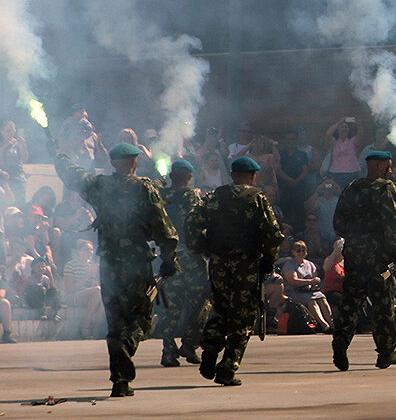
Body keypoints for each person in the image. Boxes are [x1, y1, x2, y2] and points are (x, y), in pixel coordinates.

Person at [54, 142, 177, 397]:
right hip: (136, 262)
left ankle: (120, 380)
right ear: (134, 162)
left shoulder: (100, 185)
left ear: (112, 162)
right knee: (141, 319)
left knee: (115, 322)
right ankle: (127, 348)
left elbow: (73, 174)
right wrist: (169, 258)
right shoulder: (144, 187)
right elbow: (164, 228)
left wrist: (60, 154)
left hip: (109, 263)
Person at [187, 156, 285, 387]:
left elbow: (192, 221)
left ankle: (211, 345)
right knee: (242, 319)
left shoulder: (215, 197)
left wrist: (202, 247)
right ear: (252, 176)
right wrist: (269, 262)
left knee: (221, 309)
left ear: (232, 175)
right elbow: (272, 234)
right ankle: (227, 369)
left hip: (219, 263)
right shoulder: (256, 198)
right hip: (246, 265)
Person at [331, 150, 396, 371]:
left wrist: (356, 237)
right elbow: (391, 227)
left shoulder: (352, 187)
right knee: (383, 305)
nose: (390, 171)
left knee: (351, 301)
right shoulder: (386, 189)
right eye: (389, 166)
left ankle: (341, 341)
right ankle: (385, 352)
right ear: (381, 166)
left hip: (354, 255)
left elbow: (338, 224)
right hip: (378, 258)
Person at [156, 159, 207, 367]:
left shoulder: (161, 196)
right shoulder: (192, 195)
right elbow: (198, 223)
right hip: (190, 256)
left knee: (171, 305)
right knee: (201, 301)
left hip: (169, 256)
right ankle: (190, 343)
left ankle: (168, 351)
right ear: (189, 176)